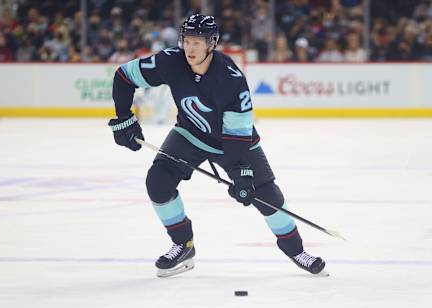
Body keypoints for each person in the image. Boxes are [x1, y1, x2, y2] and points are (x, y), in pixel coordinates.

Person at [108, 14, 327, 277]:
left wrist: (241, 172)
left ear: (212, 44)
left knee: (269, 199)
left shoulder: (230, 77)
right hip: (190, 134)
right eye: (186, 41)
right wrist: (124, 118)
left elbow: (237, 132)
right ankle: (183, 245)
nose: (189, 48)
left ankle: (296, 250)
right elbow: (124, 77)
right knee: (157, 182)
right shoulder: (170, 61)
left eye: (197, 42)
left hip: (232, 141)